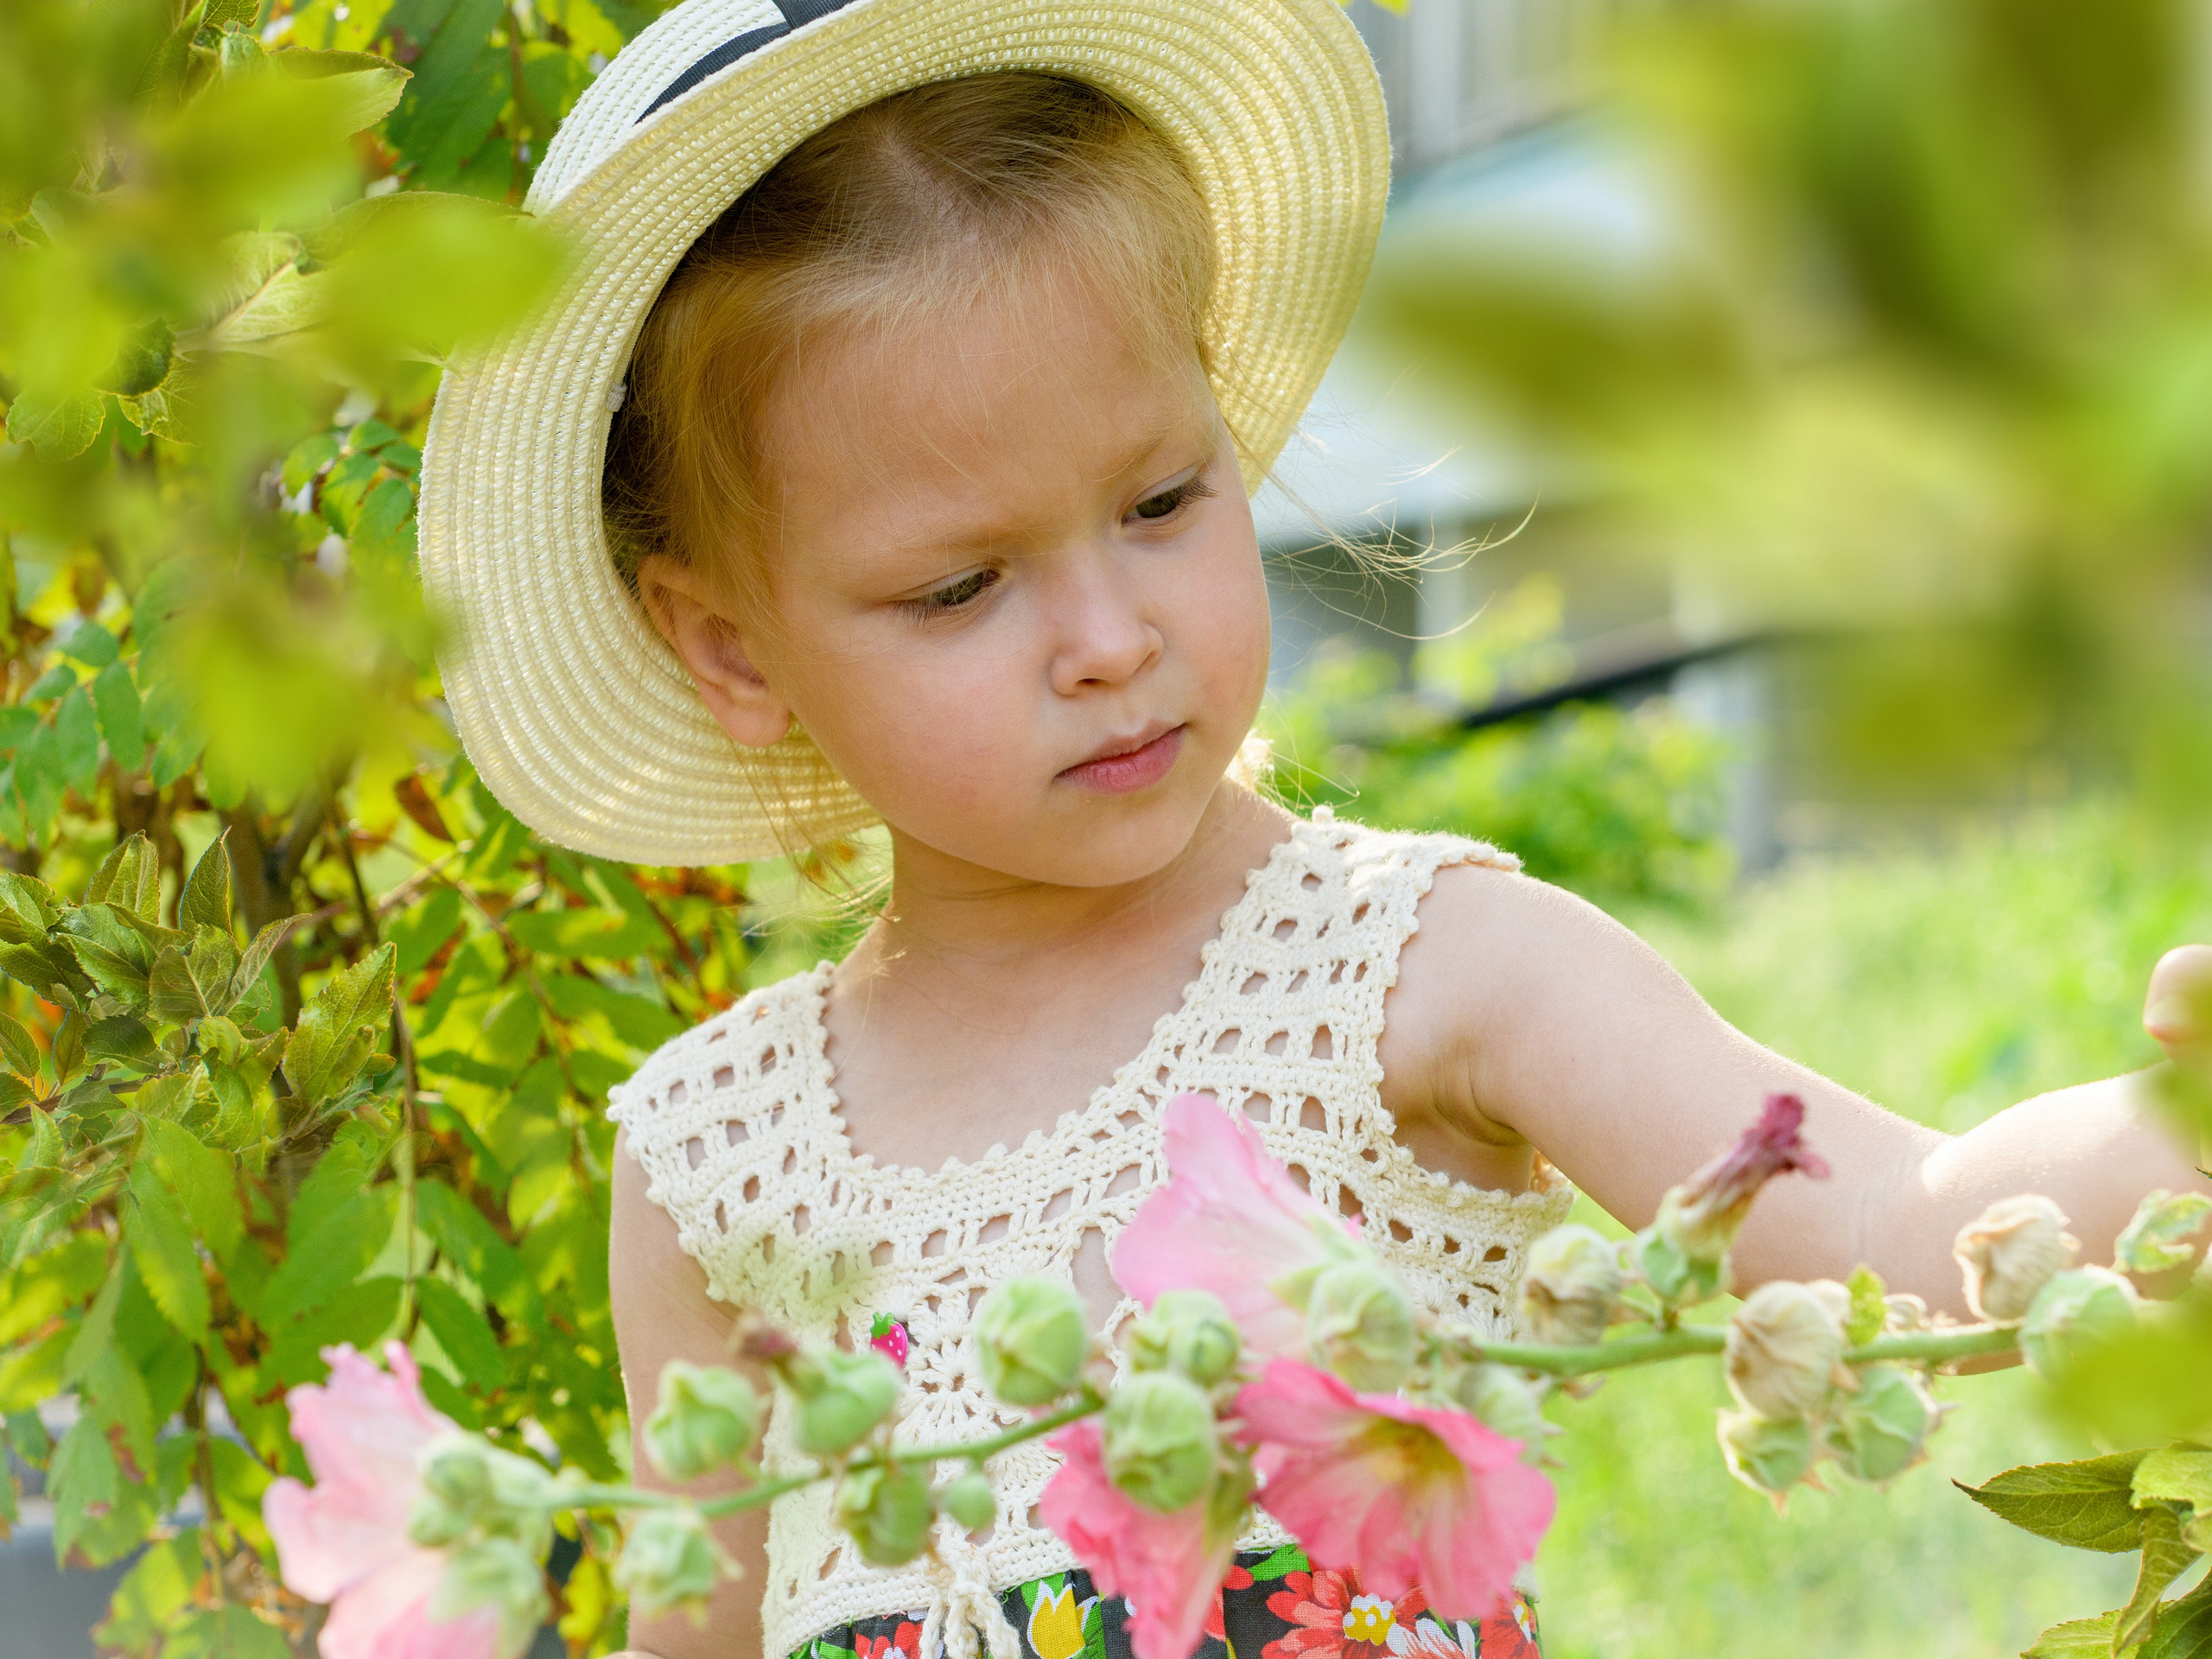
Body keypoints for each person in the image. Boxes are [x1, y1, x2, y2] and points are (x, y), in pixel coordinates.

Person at [414, 1, 2212, 1656]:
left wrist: (2172, 1131)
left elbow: (1889, 1226)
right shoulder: (718, 1163)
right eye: (960, 587)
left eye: (1160, 499)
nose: (1108, 637)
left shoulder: (1413, 972)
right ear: (733, 648)